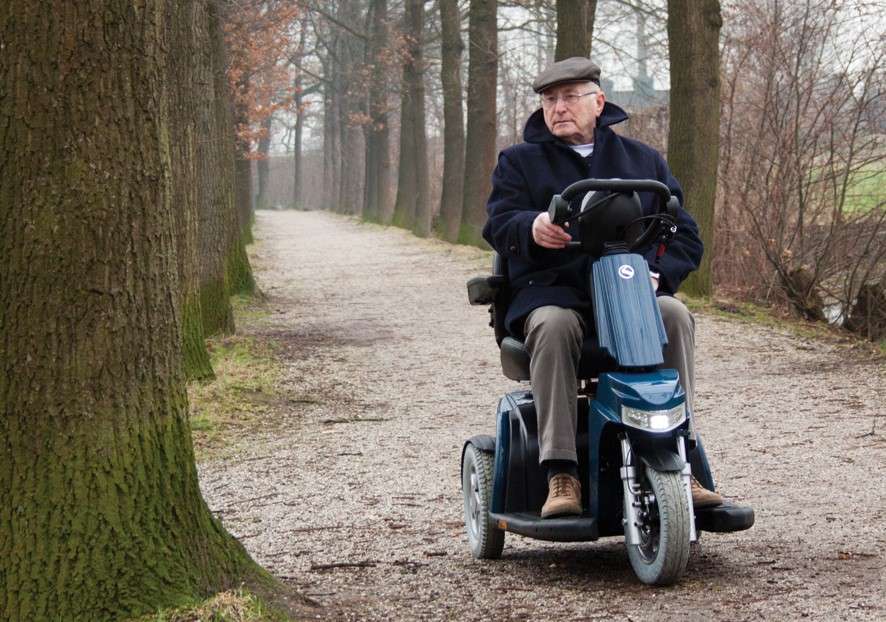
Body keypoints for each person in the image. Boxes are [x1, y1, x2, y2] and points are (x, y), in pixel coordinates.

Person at [482, 57, 723, 519]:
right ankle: (561, 471)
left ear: (598, 102)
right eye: (550, 99)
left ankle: (680, 455)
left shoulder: (642, 161)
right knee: (552, 325)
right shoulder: (519, 162)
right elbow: (498, 223)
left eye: (570, 97)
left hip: (626, 290)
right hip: (555, 291)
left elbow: (685, 233)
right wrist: (532, 227)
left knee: (673, 313)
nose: (558, 108)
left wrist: (659, 275)